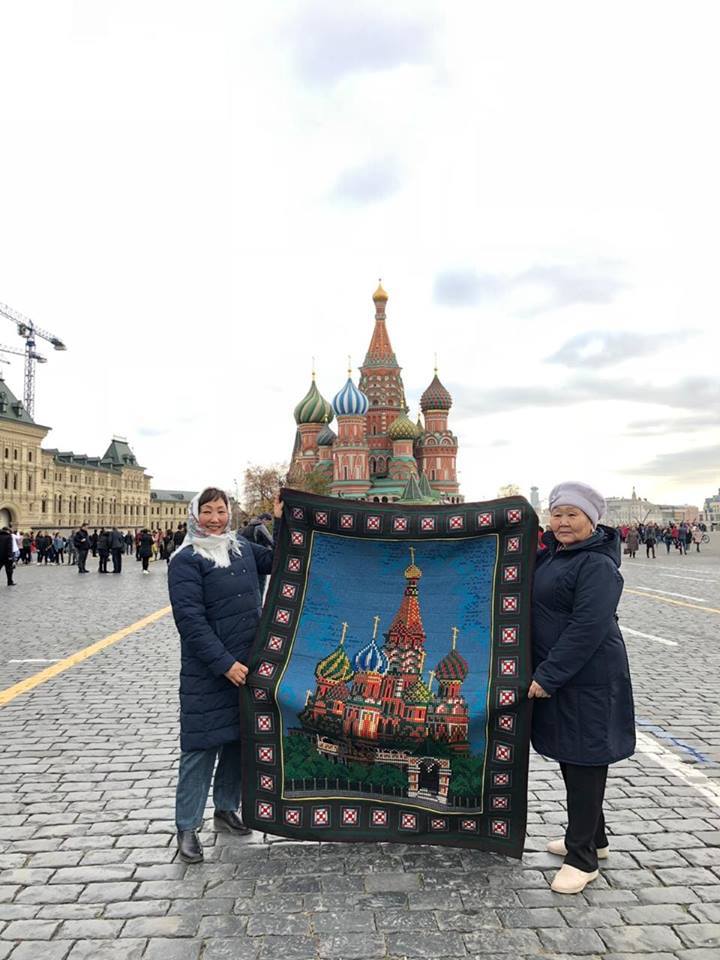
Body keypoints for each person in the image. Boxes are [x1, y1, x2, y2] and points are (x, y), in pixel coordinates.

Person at [529, 481, 635, 895]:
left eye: (572, 515)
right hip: (566, 676)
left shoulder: (596, 565)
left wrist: (548, 675)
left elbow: (587, 627)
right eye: (557, 514)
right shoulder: (555, 555)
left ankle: (582, 858)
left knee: (586, 760)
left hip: (589, 678)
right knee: (573, 757)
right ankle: (595, 837)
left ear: (592, 520)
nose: (563, 522)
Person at [168, 486, 281, 864]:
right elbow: (190, 621)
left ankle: (226, 808)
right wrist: (224, 664)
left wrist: (282, 519)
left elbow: (283, 560)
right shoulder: (186, 560)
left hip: (247, 665)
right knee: (200, 749)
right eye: (208, 511)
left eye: (221, 511)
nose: (215, 519)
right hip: (210, 671)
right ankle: (187, 827)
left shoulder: (242, 548)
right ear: (194, 514)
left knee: (237, 741)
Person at [240, 512, 274, 595]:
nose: (267, 524)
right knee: (260, 585)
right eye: (268, 522)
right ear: (264, 519)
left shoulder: (247, 528)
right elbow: (271, 541)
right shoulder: (260, 527)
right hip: (260, 558)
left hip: (248, 559)